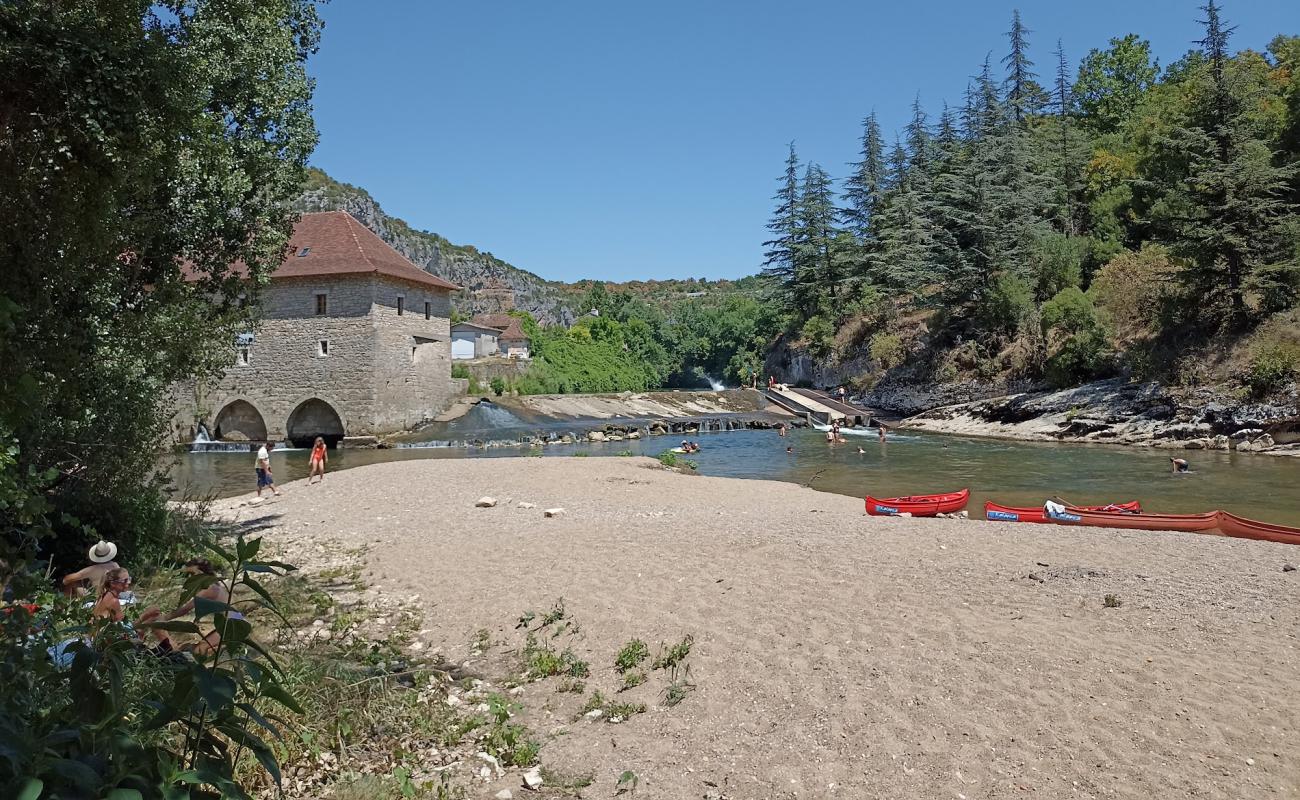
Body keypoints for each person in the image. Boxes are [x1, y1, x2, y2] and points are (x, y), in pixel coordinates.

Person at [162, 558, 242, 658]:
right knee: (192, 647)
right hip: (233, 622)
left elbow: (186, 608)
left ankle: (233, 650)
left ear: (201, 573)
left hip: (231, 625)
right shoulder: (215, 585)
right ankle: (230, 648)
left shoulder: (208, 588)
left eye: (192, 574)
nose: (190, 578)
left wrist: (164, 618)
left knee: (199, 650)